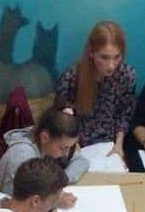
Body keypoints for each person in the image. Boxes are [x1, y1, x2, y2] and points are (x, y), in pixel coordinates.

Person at [0, 105, 86, 207]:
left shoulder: (47, 142)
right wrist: (55, 201)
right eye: (63, 148)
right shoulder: (23, 156)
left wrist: (60, 182)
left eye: (70, 147)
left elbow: (82, 161)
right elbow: (11, 204)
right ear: (44, 138)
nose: (66, 153)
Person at [55, 21, 135, 156]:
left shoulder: (126, 75)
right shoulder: (71, 77)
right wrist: (74, 146)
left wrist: (119, 145)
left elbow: (124, 114)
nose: (111, 65)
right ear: (91, 52)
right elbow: (62, 118)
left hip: (111, 144)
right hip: (78, 144)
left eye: (117, 57)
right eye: (104, 57)